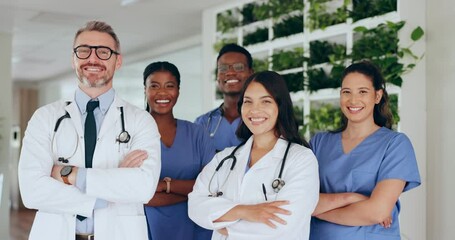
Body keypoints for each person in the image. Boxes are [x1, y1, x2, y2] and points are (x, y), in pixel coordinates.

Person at [18, 21, 161, 240]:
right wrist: (107, 192)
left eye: (103, 52)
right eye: (84, 51)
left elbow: (143, 187)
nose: (93, 59)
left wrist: (69, 175)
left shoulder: (141, 121)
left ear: (118, 60)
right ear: (73, 58)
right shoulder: (44, 117)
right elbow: (31, 191)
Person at [188, 71, 319, 240]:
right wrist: (246, 211)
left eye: (265, 101)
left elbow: (283, 224)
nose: (254, 110)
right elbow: (195, 206)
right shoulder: (225, 158)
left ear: (280, 106)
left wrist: (226, 227)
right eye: (248, 102)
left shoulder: (301, 159)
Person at [309, 61, 421, 240]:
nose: (353, 100)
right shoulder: (319, 143)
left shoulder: (395, 145)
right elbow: (297, 199)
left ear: (377, 96)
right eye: (347, 92)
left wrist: (315, 211)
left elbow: (376, 212)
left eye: (362, 91)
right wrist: (351, 198)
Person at [142, 61, 216, 240]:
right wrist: (191, 194)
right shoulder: (134, 134)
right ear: (145, 90)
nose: (162, 92)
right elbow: (140, 195)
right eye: (154, 86)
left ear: (178, 91)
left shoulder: (197, 133)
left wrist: (162, 186)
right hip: (148, 228)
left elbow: (213, 186)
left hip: (195, 228)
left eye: (170, 86)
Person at [194, 43, 254, 152]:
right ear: (217, 77)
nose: (230, 72)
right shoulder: (203, 123)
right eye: (223, 68)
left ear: (251, 73)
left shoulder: (261, 118)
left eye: (238, 67)